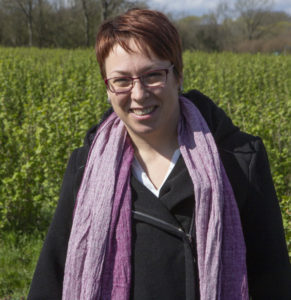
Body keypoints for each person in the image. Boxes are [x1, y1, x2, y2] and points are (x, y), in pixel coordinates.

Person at [28, 8, 291, 300]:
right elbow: (53, 274)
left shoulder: (238, 160)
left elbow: (272, 280)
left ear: (178, 75)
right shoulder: (85, 166)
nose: (139, 94)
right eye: (122, 80)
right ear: (107, 87)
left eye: (153, 75)